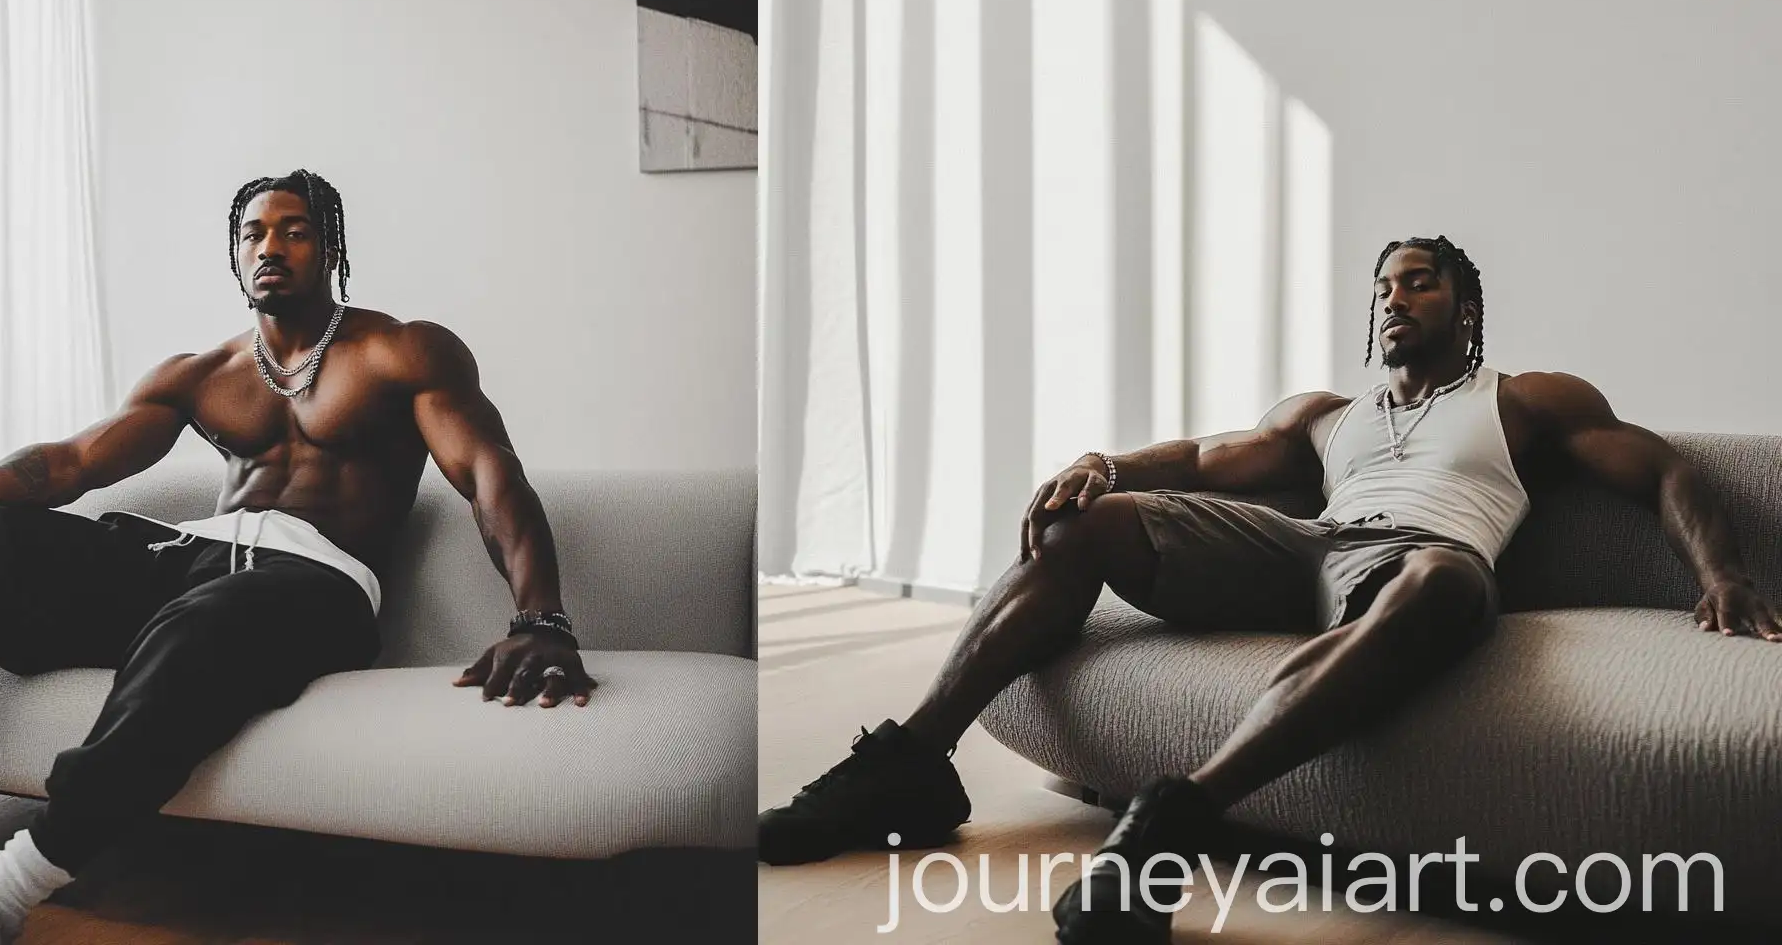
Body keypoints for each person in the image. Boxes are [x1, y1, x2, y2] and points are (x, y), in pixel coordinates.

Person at [757, 236, 1782, 942]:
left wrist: (1722, 574)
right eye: (1382, 287)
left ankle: (1171, 824)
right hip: (1303, 546)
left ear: (1464, 307)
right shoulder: (1327, 415)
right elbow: (1206, 458)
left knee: (1444, 578)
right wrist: (1103, 463)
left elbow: (1663, 470)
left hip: (1419, 559)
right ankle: (911, 762)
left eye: (1418, 282)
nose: (1393, 298)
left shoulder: (1525, 400)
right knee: (1084, 521)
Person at [0, 170, 591, 943]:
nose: (270, 246)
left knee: (200, 622)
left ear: (332, 248)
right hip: (184, 559)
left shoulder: (403, 351)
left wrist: (540, 617)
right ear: (234, 254)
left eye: (294, 231)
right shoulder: (201, 373)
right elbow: (72, 464)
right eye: (253, 233)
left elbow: (489, 476)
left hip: (311, 583)